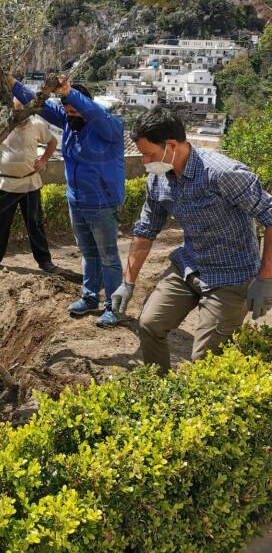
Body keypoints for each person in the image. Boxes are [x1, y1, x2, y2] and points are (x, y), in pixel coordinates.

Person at [112, 106, 272, 373]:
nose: (144, 160)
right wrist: (127, 282)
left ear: (171, 145)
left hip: (231, 276)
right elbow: (145, 231)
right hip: (190, 265)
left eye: (148, 153)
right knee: (150, 324)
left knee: (204, 361)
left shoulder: (223, 174)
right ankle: (157, 390)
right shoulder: (158, 179)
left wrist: (265, 278)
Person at [7, 74, 125, 327]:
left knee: (108, 256)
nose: (70, 114)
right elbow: (40, 104)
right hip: (77, 201)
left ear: (85, 105)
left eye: (75, 109)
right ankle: (90, 297)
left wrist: (69, 94)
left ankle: (113, 308)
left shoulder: (109, 124)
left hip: (103, 203)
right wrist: (12, 83)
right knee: (87, 253)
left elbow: (92, 112)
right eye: (67, 110)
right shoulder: (69, 122)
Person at [0, 97, 58, 273]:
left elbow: (53, 142)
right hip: (5, 183)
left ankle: (44, 261)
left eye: (23, 112)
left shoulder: (36, 124)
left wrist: (43, 160)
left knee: (35, 224)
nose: (21, 116)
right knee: (0, 224)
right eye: (17, 112)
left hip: (30, 183)